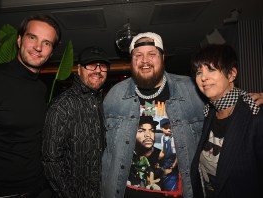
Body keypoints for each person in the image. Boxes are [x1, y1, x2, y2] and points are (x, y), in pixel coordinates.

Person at [101, 32, 263, 198]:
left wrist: (248, 97)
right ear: (131, 61)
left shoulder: (191, 90)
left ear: (162, 58)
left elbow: (222, 97)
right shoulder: (115, 95)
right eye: (138, 55)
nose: (145, 61)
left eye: (152, 54)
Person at [0, 14, 61, 197]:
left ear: (51, 52)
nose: (38, 47)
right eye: (32, 37)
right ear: (19, 40)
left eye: (47, 43)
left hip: (36, 189)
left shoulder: (41, 88)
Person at [190, 44, 263, 198]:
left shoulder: (255, 114)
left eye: (211, 69)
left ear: (231, 74)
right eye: (198, 72)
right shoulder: (208, 112)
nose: (203, 77)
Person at [42, 46, 110, 198]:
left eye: (103, 66)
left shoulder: (101, 102)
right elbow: (50, 160)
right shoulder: (62, 105)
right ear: (79, 69)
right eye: (91, 64)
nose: (97, 70)